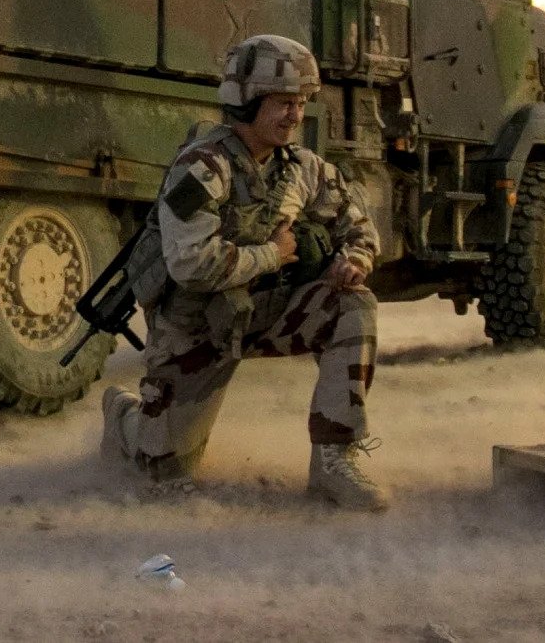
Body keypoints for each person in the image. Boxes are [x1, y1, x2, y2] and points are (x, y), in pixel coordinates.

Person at [100, 34, 387, 508]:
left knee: (354, 305)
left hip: (264, 313)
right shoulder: (201, 168)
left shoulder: (301, 168)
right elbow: (191, 264)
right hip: (197, 328)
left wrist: (355, 259)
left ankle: (334, 460)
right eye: (283, 103)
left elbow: (357, 223)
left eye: (301, 103)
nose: (295, 115)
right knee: (165, 474)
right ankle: (124, 417)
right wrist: (272, 254)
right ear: (247, 102)